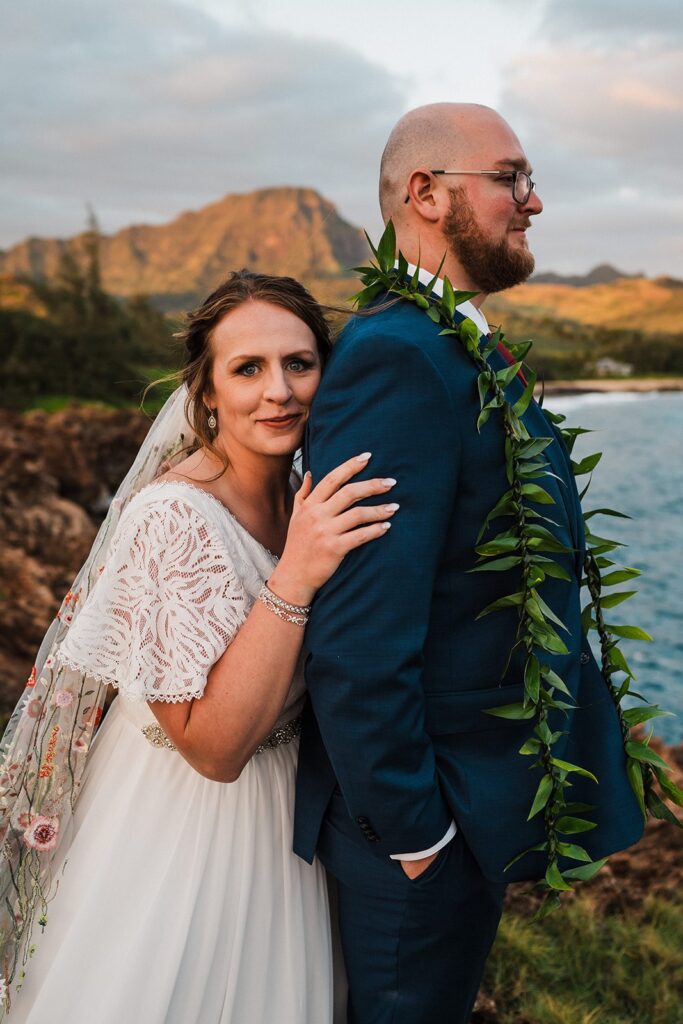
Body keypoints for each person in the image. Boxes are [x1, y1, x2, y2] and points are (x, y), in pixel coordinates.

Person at [294, 102, 644, 1023]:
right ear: (426, 194)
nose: (533, 202)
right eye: (511, 178)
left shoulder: (453, 344)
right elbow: (361, 631)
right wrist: (419, 835)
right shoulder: (397, 358)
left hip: (462, 813)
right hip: (415, 838)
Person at [0, 270, 397, 1022]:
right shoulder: (173, 519)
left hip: (291, 815)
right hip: (187, 825)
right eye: (247, 369)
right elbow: (212, 750)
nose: (277, 390)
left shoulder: (305, 491)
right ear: (206, 393)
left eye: (299, 364)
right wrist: (298, 573)